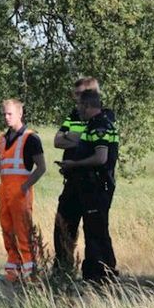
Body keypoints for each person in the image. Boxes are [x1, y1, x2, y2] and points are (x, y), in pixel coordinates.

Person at [56, 89, 119, 283]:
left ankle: (101, 275)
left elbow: (101, 158)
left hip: (97, 187)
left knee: (96, 232)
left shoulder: (100, 126)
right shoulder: (92, 125)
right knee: (67, 225)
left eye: (79, 106)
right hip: (83, 186)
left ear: (88, 105)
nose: (78, 110)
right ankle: (66, 269)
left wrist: (74, 164)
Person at [0, 99, 46, 282]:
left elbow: (41, 167)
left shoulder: (31, 138)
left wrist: (25, 186)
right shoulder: (2, 139)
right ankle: (13, 274)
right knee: (8, 232)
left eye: (10, 114)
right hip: (4, 193)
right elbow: (3, 168)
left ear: (20, 114)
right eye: (4, 113)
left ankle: (31, 275)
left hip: (20, 194)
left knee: (24, 233)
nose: (6, 117)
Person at [52, 76, 105, 276]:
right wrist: (77, 140)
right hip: (72, 180)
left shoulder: (101, 116)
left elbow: (92, 145)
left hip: (92, 183)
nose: (76, 100)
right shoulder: (74, 114)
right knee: (63, 224)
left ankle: (96, 273)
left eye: (79, 95)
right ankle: (62, 268)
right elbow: (57, 140)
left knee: (94, 230)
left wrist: (74, 139)